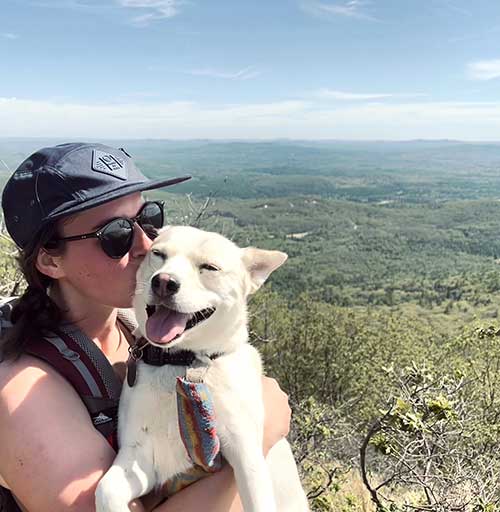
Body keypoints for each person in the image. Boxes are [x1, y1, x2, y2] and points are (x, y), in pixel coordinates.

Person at [0, 143, 291, 512]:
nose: (146, 244)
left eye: (149, 218)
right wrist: (260, 436)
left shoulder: (142, 327)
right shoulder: (21, 394)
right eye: (116, 235)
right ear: (50, 260)